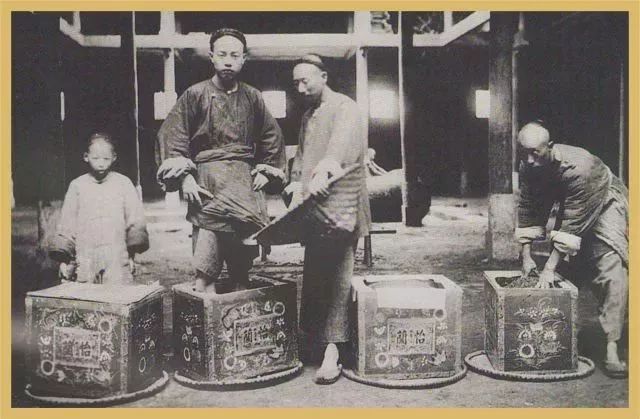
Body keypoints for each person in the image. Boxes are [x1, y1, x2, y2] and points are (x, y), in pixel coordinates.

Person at [156, 28, 286, 294]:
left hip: (244, 188)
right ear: (212, 57)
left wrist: (267, 171)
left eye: (235, 56)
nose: (228, 61)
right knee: (206, 270)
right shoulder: (194, 94)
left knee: (242, 271)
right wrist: (185, 177)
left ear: (243, 59)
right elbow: (173, 136)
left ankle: (238, 316)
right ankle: (207, 310)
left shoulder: (253, 97)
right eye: (223, 54)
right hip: (208, 187)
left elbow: (272, 137)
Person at [515, 120, 628, 378]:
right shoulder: (528, 165)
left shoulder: (581, 167)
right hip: (572, 204)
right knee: (565, 270)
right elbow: (528, 206)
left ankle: (612, 345)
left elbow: (573, 224)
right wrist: (526, 256)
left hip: (605, 202)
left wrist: (549, 268)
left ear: (550, 147)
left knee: (610, 268)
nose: (530, 160)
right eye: (524, 153)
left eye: (535, 153)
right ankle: (560, 334)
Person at [285, 54, 371, 384]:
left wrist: (325, 169)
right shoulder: (309, 115)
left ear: (323, 76)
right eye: (296, 82)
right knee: (315, 274)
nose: (300, 87)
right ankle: (315, 343)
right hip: (315, 206)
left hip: (341, 203)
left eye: (306, 80)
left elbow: (340, 146)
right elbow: (302, 155)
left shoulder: (345, 107)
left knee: (338, 276)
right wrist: (296, 182)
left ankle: (334, 351)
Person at [49, 132, 149, 284]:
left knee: (117, 293)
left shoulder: (124, 184)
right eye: (95, 158)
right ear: (86, 157)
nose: (101, 163)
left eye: (106, 159)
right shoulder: (77, 186)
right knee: (86, 294)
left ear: (114, 157)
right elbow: (67, 223)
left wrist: (131, 256)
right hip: (85, 255)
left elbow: (134, 220)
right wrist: (64, 261)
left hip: (116, 255)